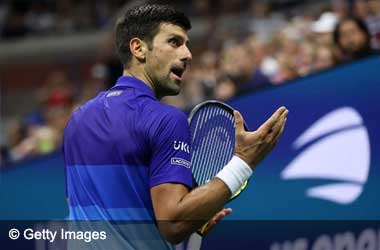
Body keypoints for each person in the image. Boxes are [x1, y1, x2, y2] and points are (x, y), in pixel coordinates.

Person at [62, 4, 288, 249]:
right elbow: (173, 224)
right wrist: (244, 161)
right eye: (174, 42)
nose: (187, 54)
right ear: (138, 48)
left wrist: (195, 215)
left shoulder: (78, 120)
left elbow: (95, 213)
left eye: (186, 44)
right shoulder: (165, 119)